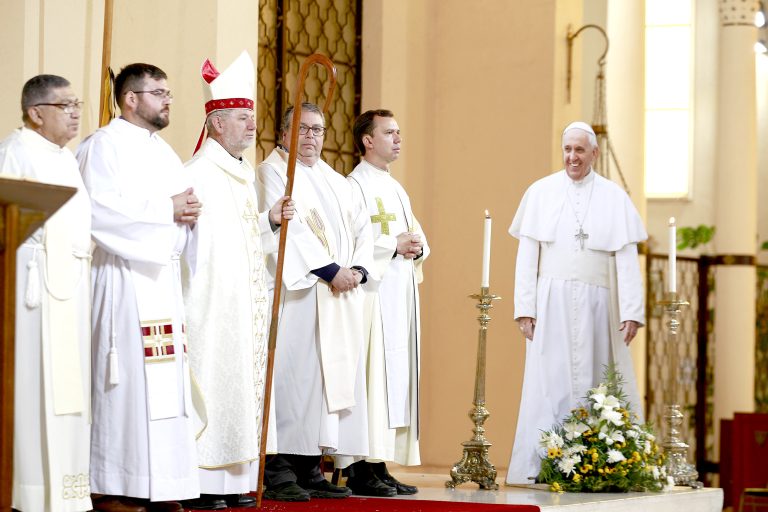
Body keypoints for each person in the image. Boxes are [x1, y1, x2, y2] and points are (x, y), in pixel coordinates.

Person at [77, 63, 202, 512]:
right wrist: (166, 210)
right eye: (159, 92)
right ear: (131, 99)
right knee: (125, 382)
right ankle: (114, 484)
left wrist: (187, 215)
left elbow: (180, 209)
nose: (168, 100)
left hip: (161, 279)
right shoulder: (102, 146)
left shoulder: (164, 152)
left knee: (165, 388)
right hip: (123, 278)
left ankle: (161, 483)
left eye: (169, 92)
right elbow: (96, 211)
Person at [180, 51, 294, 511]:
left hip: (242, 303)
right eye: (242, 119)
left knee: (238, 388)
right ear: (216, 124)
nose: (251, 126)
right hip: (209, 304)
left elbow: (247, 240)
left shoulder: (242, 175)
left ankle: (231, 484)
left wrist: (269, 220)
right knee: (213, 382)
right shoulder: (196, 174)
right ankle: (203, 483)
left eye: (252, 118)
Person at [505, 121, 647, 485]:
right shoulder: (540, 192)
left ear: (594, 154)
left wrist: (632, 311)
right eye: (568, 149)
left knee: (599, 377)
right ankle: (544, 461)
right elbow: (528, 254)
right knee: (549, 379)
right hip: (550, 302)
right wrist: (525, 307)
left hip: (598, 304)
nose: (572, 157)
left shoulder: (614, 197)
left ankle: (599, 460)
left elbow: (627, 258)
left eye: (580, 150)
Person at [255, 102, 374, 502]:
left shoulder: (337, 181)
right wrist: (328, 271)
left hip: (339, 294)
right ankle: (279, 466)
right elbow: (290, 231)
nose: (311, 137)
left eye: (318, 130)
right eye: (302, 129)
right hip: (299, 294)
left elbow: (364, 228)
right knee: (294, 379)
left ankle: (309, 466)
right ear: (285, 133)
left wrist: (356, 269)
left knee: (323, 385)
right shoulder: (271, 172)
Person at [0, 75, 92, 512]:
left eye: (77, 103)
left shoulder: (65, 157)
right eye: (65, 104)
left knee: (66, 387)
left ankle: (67, 490)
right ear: (36, 113)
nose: (75, 111)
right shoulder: (16, 151)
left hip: (70, 287)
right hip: (32, 289)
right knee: (34, 383)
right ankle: (30, 491)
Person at [341, 109, 427, 496]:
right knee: (371, 377)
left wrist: (417, 246)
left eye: (399, 132)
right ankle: (359, 466)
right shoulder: (354, 186)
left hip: (398, 294)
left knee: (391, 380)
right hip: (371, 297)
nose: (398, 138)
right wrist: (394, 246)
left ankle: (379, 463)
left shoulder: (395, 187)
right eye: (389, 132)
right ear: (367, 141)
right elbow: (349, 244)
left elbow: (416, 235)